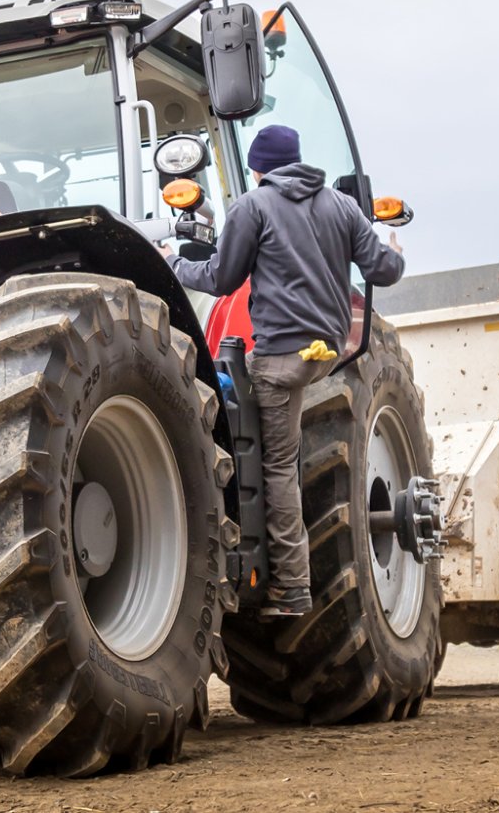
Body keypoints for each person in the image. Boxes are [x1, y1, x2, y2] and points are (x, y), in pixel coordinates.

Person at [163, 125, 405, 617]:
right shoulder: (342, 207)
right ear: (297, 161)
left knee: (272, 461)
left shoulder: (252, 207)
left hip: (280, 358)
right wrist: (395, 251)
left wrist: (174, 264)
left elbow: (222, 277)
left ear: (256, 169)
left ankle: (291, 588)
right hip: (329, 351)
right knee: (256, 400)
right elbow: (382, 269)